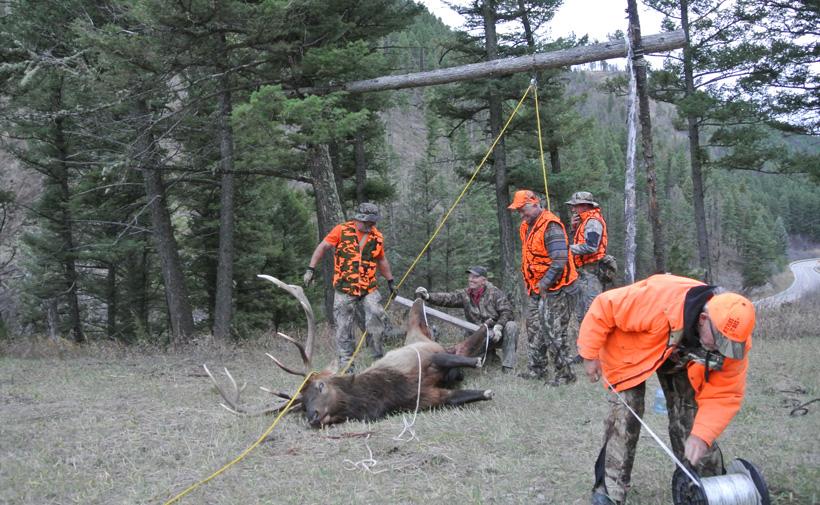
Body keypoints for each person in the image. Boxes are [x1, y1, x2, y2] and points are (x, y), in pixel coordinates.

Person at [578, 274, 756, 505]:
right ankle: (609, 492)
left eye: (731, 345)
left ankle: (703, 487)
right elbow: (604, 306)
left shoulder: (734, 344)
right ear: (703, 319)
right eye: (720, 342)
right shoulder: (657, 299)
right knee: (625, 417)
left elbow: (724, 395)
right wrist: (590, 353)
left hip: (679, 358)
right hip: (630, 350)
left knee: (693, 422)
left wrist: (701, 436)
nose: (725, 350)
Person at [303, 202, 395, 372]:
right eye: (368, 222)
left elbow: (381, 260)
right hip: (344, 288)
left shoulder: (377, 237)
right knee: (344, 328)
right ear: (359, 219)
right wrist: (311, 269)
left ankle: (378, 363)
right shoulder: (341, 230)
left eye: (373, 222)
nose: (370, 225)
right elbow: (323, 246)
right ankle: (347, 370)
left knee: (376, 315)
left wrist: (390, 281)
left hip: (368, 288)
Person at [507, 189, 578, 386]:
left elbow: (560, 260)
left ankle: (565, 375)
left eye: (524, 210)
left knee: (554, 331)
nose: (522, 215)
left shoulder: (551, 226)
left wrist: (545, 283)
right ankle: (536, 369)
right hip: (536, 288)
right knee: (534, 328)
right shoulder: (526, 226)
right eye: (519, 211)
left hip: (558, 288)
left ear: (535, 204)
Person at [414, 266, 518, 373]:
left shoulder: (495, 293)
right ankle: (490, 358)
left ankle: (508, 367)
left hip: (496, 335)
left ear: (484, 280)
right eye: (470, 276)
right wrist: (428, 297)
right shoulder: (465, 294)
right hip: (476, 336)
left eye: (475, 277)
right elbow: (448, 298)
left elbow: (508, 312)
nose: (471, 279)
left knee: (511, 326)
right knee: (466, 361)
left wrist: (499, 327)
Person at [566, 191, 608, 363]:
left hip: (591, 274)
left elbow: (591, 247)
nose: (573, 209)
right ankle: (586, 352)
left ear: (584, 206)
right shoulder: (584, 222)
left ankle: (597, 353)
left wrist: (567, 248)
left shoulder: (592, 222)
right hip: (582, 273)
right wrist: (573, 228)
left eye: (575, 206)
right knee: (582, 314)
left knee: (592, 314)